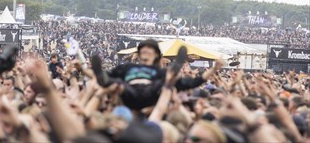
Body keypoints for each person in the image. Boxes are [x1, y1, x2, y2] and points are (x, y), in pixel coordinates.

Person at [91, 39, 223, 110]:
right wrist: (96, 73)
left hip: (152, 94)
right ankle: (173, 73)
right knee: (117, 83)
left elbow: (192, 82)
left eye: (150, 48)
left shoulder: (160, 71)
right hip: (129, 93)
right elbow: (103, 76)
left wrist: (214, 68)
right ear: (139, 52)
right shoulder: (126, 67)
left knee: (166, 83)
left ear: (156, 55)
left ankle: (176, 68)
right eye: (143, 47)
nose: (146, 50)